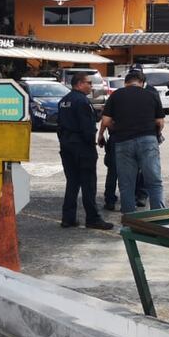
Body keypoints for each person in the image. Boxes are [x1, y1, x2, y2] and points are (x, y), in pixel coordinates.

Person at [97, 70, 166, 213]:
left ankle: (129, 220)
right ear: (142, 83)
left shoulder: (116, 95)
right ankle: (158, 219)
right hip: (148, 140)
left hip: (123, 141)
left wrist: (116, 129)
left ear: (125, 82)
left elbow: (106, 121)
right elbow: (159, 122)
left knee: (126, 183)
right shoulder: (151, 95)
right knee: (154, 181)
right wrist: (155, 134)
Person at [56, 73, 113, 230]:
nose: (91, 86)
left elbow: (60, 125)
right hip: (82, 147)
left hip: (67, 146)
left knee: (72, 183)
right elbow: (87, 127)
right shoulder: (82, 101)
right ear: (80, 84)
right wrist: (92, 143)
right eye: (89, 83)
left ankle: (68, 218)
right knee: (88, 184)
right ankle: (93, 218)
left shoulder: (64, 101)